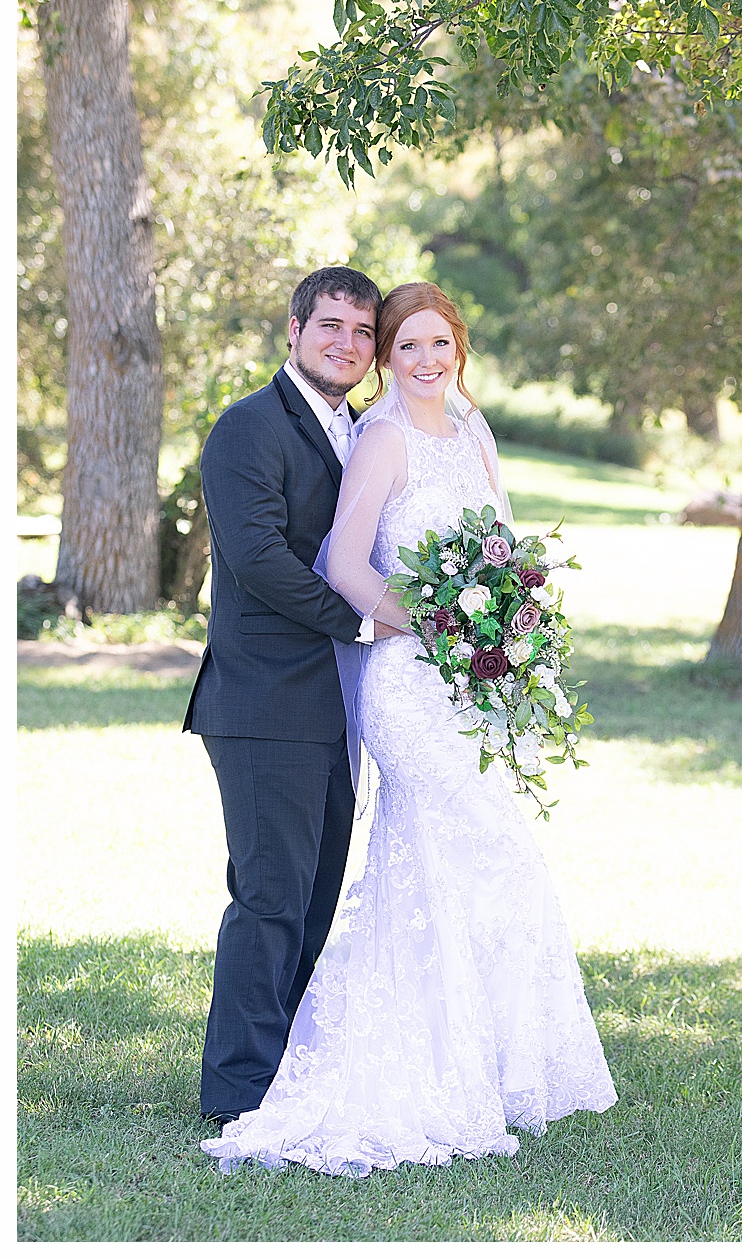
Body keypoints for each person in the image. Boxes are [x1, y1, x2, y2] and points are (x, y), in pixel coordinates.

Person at [201, 283, 616, 1175]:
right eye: (401, 344)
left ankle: (480, 1058)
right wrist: (428, 628)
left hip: (448, 684)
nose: (419, 359)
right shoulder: (341, 432)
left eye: (435, 343)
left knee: (416, 867)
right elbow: (318, 560)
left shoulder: (461, 431)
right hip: (357, 684)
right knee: (298, 884)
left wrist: (509, 636)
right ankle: (256, 1086)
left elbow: (505, 551)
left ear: (458, 347)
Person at [186, 266, 388, 1127]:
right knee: (270, 897)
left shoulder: (359, 431)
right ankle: (238, 1090)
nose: (346, 344)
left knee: (311, 896)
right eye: (330, 327)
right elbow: (258, 559)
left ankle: (287, 1073)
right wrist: (366, 623)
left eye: (361, 333)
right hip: (264, 701)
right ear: (296, 331)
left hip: (335, 709)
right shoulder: (248, 428)